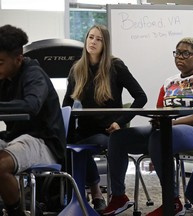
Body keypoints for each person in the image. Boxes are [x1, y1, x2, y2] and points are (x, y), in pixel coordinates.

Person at [102, 37, 193, 216]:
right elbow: (160, 111)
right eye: (177, 53)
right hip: (168, 130)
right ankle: (119, 197)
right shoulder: (169, 82)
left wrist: (173, 123)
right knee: (119, 138)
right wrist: (158, 120)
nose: (180, 57)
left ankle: (172, 202)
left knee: (161, 137)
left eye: (186, 53)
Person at [62, 24, 147, 213]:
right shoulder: (77, 69)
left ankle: (96, 193)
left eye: (98, 39)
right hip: (84, 129)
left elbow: (141, 97)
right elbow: (66, 103)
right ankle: (75, 196)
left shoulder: (115, 66)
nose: (93, 42)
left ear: (105, 44)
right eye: (90, 37)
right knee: (64, 145)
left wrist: (120, 121)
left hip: (107, 130)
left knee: (83, 149)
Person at [0, 24, 66, 216]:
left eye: (0, 61)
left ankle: (19, 211)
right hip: (16, 139)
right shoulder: (4, 76)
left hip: (44, 142)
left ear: (18, 59)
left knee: (0, 165)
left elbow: (31, 105)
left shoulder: (34, 74)